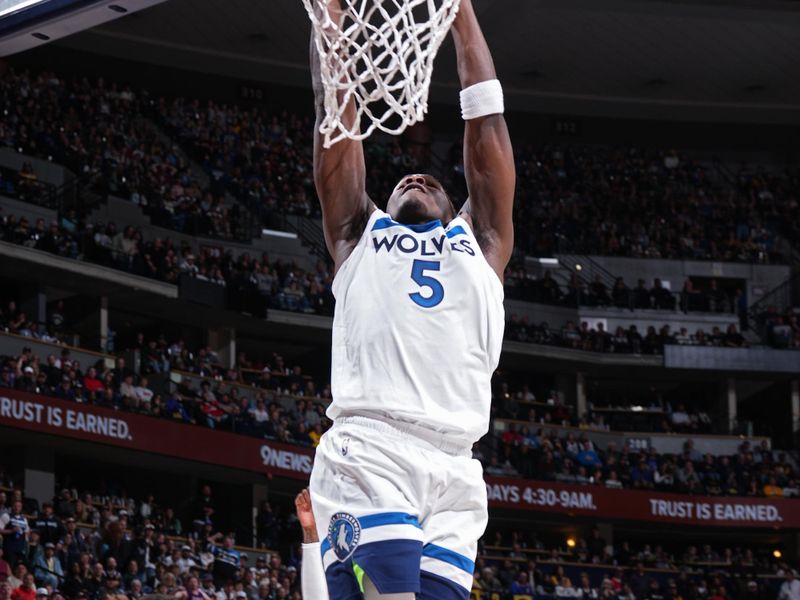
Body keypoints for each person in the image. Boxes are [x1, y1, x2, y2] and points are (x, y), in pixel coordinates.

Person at [307, 0, 514, 597]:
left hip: (456, 468)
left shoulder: (483, 243)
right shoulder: (357, 234)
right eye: (402, 181)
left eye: (430, 180)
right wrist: (335, 35)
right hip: (372, 447)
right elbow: (336, 133)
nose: (415, 178)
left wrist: (463, 16)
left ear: (459, 210)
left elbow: (488, 128)